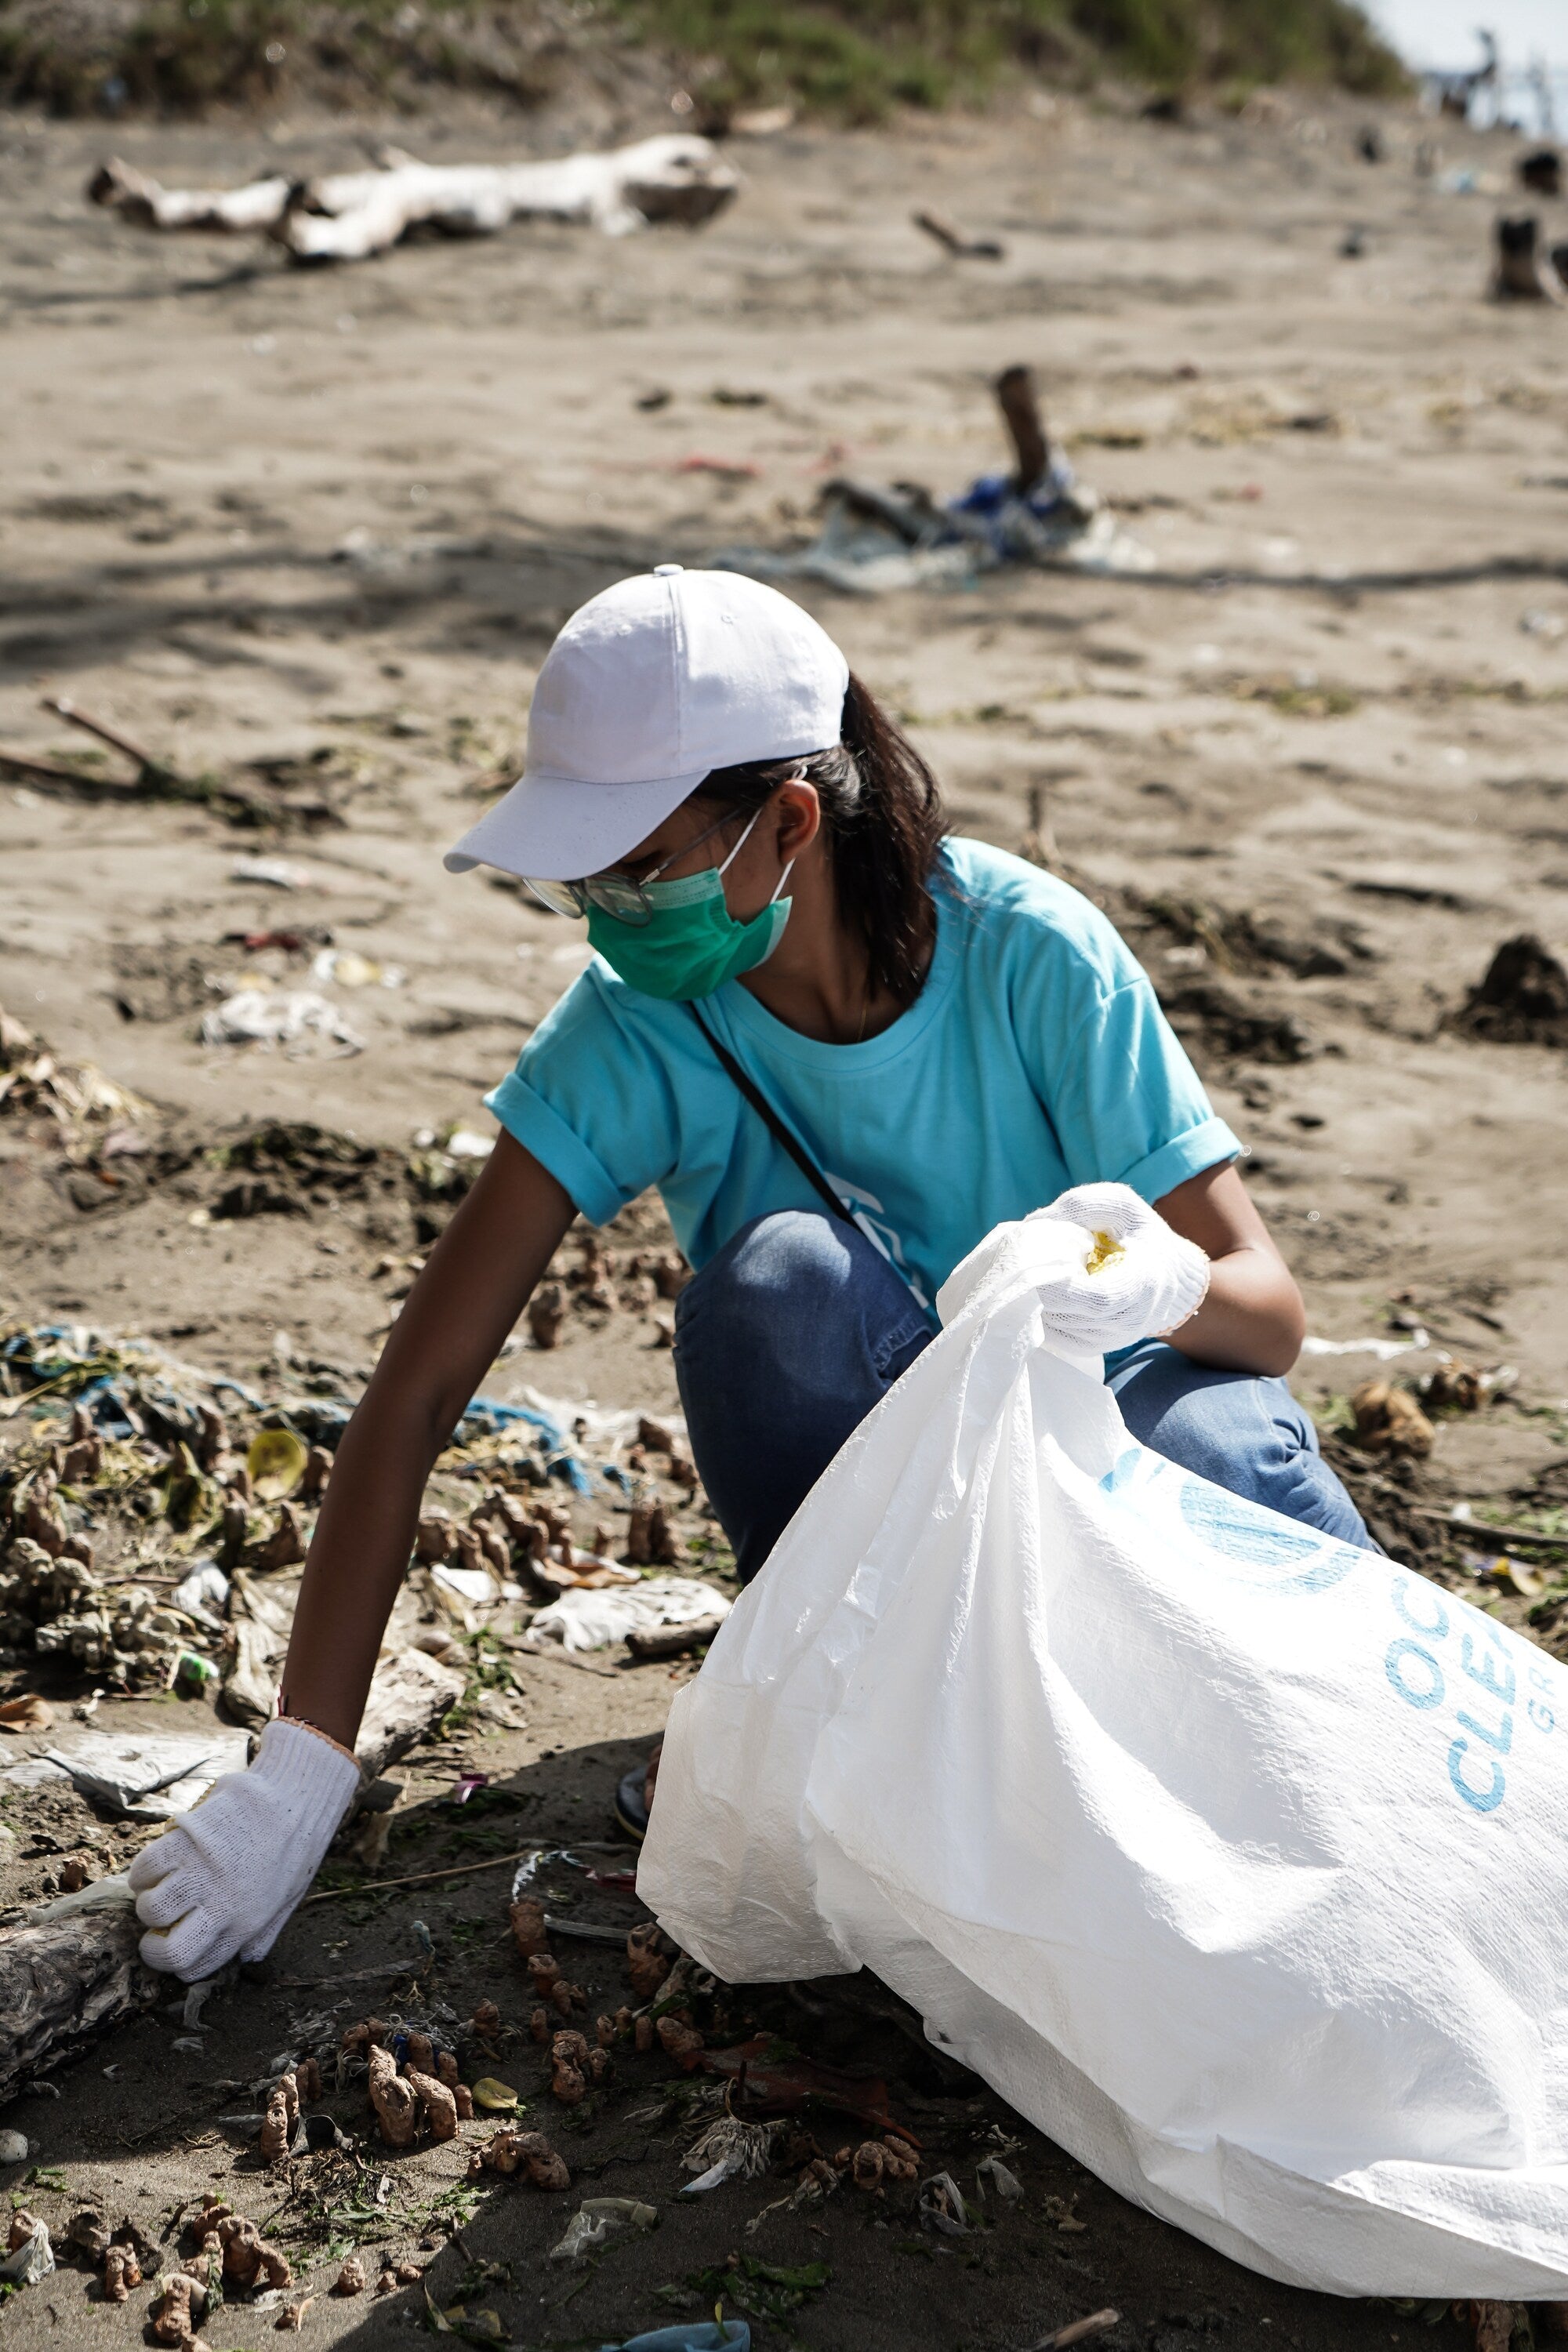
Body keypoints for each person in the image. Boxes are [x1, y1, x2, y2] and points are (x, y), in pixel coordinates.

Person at [129, 566, 1374, 1980]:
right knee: (778, 1288)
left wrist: (1135, 1282)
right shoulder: (638, 1030)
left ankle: (1341, 1777)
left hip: (1112, 1474)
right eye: (583, 881)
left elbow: (1267, 1314)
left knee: (1226, 1437)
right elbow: (413, 1397)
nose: (611, 914)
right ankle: (867, 1732)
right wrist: (302, 1770)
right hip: (884, 1572)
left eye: (642, 868)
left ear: (787, 823)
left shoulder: (1033, 956)